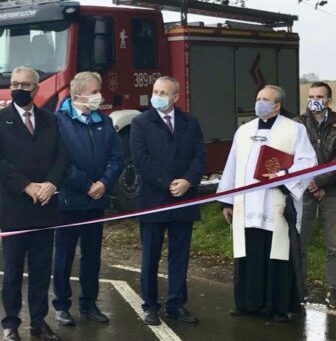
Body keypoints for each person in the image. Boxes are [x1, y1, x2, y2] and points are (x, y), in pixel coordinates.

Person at [217, 85, 317, 322]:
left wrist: (283, 176)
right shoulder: (244, 130)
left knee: (277, 254)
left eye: (265, 99)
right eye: (258, 98)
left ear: (277, 105)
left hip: (275, 203)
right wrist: (226, 201)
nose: (259, 102)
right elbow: (232, 165)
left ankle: (277, 307)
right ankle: (247, 303)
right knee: (248, 252)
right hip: (246, 206)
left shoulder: (294, 129)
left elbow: (308, 162)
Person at [0, 66, 68, 341]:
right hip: (15, 209)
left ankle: (38, 321)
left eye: (25, 84)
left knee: (42, 269)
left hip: (45, 207)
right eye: (15, 84)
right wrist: (26, 185)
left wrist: (51, 184)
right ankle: (10, 323)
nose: (19, 88)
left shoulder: (51, 121)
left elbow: (62, 158)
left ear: (36, 89)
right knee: (12, 271)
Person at [130, 76, 206, 325]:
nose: (158, 96)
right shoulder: (141, 123)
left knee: (179, 255)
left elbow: (199, 156)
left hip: (184, 199)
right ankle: (150, 304)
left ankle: (176, 303)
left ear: (175, 97)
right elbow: (140, 159)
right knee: (151, 255)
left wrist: (187, 181)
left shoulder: (190, 123)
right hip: (154, 198)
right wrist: (167, 183)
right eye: (155, 91)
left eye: (164, 92)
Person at [52, 71, 123, 326]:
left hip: (96, 200)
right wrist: (86, 184)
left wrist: (104, 183)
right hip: (69, 201)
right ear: (78, 93)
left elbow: (117, 157)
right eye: (95, 92)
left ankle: (89, 304)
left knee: (92, 256)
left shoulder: (103, 122)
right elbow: (61, 161)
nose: (99, 96)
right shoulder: (59, 122)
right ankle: (61, 305)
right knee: (63, 256)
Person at [295, 82, 336, 308]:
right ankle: (299, 287)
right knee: (299, 242)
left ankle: (334, 289)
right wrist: (310, 183)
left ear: (328, 100)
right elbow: (295, 156)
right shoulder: (299, 123)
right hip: (304, 191)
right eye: (311, 96)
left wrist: (320, 182)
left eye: (319, 96)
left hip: (332, 190)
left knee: (334, 244)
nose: (314, 100)